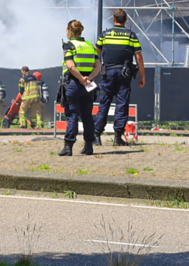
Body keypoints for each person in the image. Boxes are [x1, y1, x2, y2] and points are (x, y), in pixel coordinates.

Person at [93, 8, 145, 146]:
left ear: (113, 19)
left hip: (108, 74)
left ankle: (96, 136)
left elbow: (96, 52)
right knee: (122, 105)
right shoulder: (131, 36)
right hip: (124, 75)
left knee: (104, 104)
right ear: (126, 20)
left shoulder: (105, 35)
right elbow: (138, 57)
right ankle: (117, 137)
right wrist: (142, 75)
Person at [58, 20, 98, 156]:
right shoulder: (90, 46)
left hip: (74, 83)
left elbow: (70, 66)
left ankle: (68, 147)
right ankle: (88, 146)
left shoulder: (69, 45)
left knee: (72, 115)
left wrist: (81, 79)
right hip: (88, 85)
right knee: (87, 116)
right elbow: (98, 66)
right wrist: (89, 78)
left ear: (68, 30)